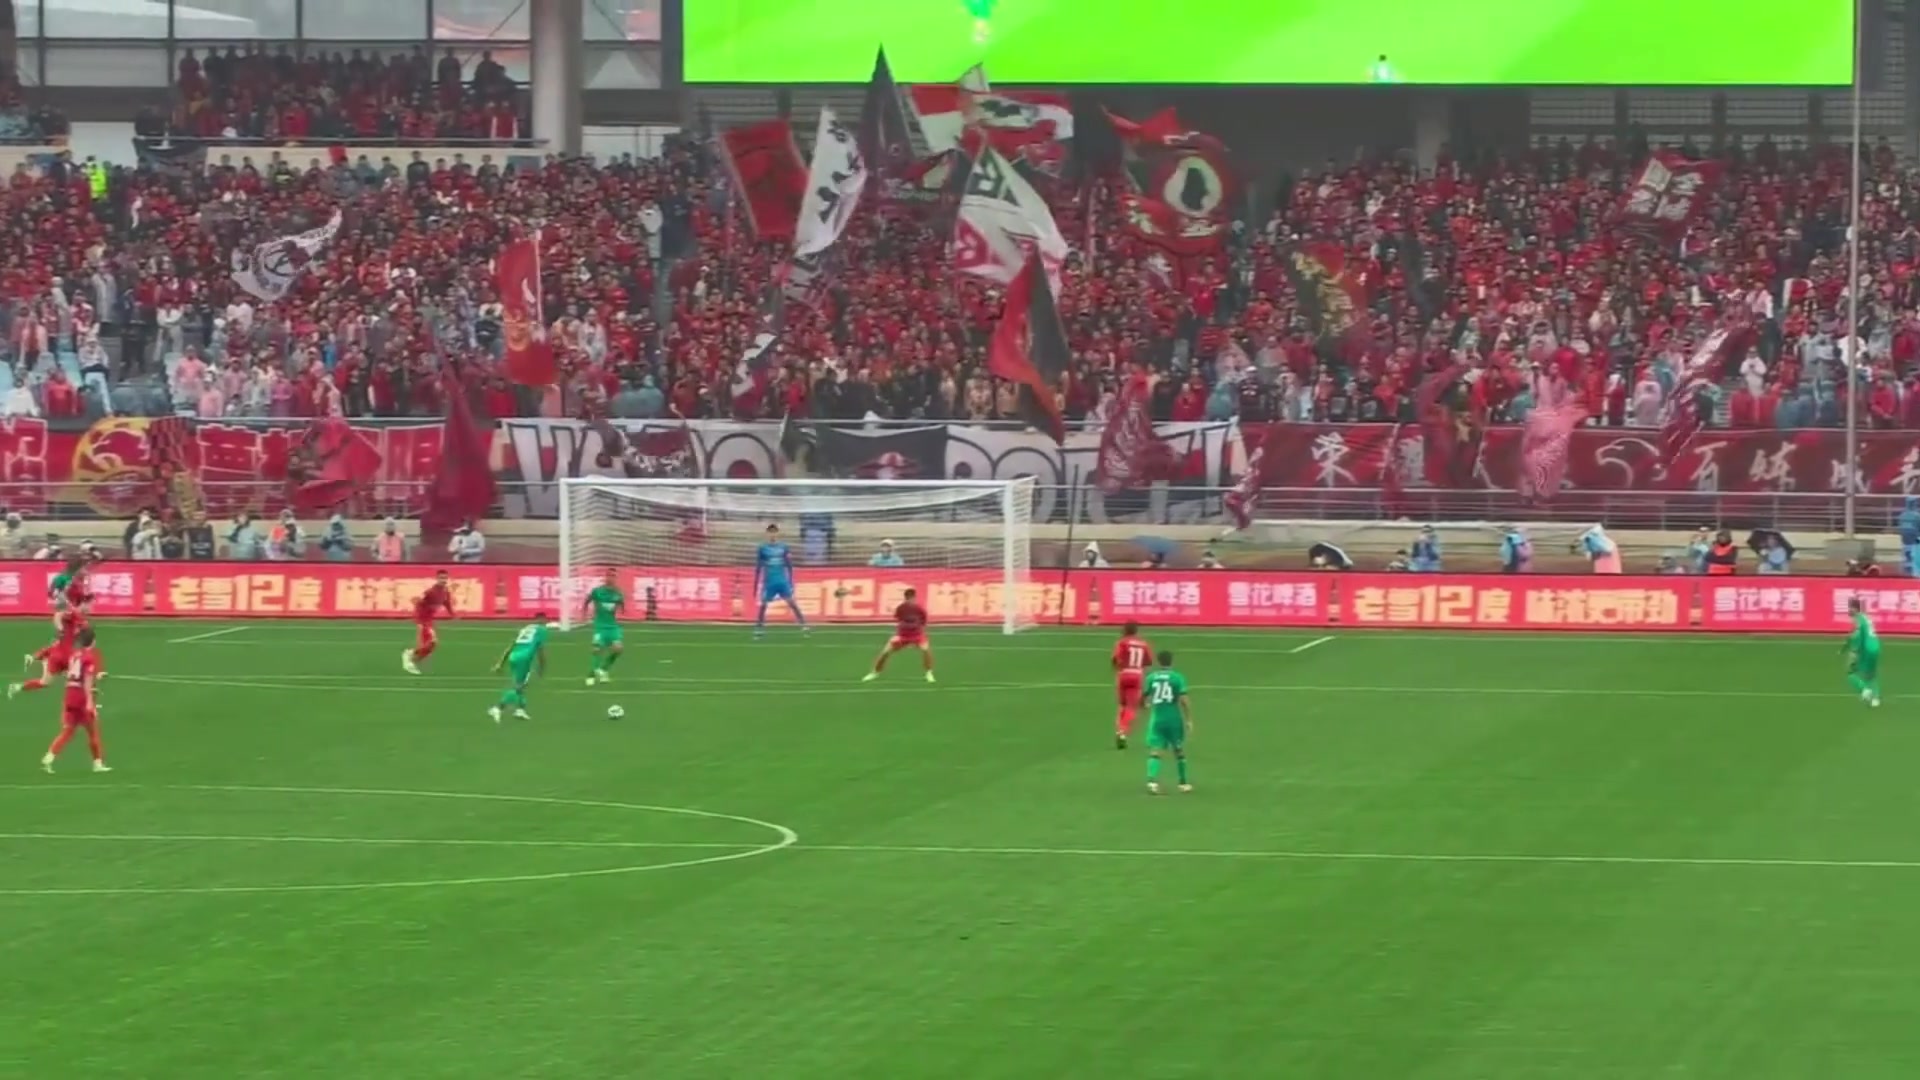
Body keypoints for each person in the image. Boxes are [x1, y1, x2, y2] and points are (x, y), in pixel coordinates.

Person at [40, 626, 107, 773]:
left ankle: (49, 757)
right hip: (80, 697)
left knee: (68, 730)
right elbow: (87, 680)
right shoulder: (89, 657)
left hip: (69, 695)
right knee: (92, 731)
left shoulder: (75, 655)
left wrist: (96, 676)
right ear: (93, 641)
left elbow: (74, 674)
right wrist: (89, 701)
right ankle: (97, 764)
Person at [1142, 650, 1192, 795]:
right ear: (1171, 661)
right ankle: (1183, 783)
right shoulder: (1177, 678)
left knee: (1155, 750)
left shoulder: (1151, 677)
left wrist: (1145, 705)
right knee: (1178, 750)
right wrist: (1189, 719)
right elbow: (1184, 700)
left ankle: (1152, 782)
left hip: (1157, 718)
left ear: (1158, 662)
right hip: (1173, 718)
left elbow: (1143, 697)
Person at [14, 601, 87, 695]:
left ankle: (17, 686)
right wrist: (60, 628)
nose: (91, 608)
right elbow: (58, 615)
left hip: (60, 655)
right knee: (81, 677)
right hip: (66, 657)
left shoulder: (78, 620)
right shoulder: (73, 613)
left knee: (45, 682)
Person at [488, 614, 550, 723]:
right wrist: (542, 667)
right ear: (542, 620)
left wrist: (500, 664)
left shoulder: (525, 630)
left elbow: (510, 647)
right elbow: (541, 650)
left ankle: (520, 710)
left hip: (513, 657)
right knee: (519, 686)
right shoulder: (541, 630)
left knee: (519, 683)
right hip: (524, 658)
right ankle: (497, 708)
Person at [863, 587, 932, 683]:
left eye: (912, 598)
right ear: (906, 598)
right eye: (909, 598)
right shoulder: (901, 608)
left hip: (917, 635)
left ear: (914, 598)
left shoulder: (919, 608)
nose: (911, 600)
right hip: (902, 636)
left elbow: (924, 620)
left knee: (926, 650)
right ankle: (875, 673)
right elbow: (898, 617)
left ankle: (928, 673)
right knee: (885, 652)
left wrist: (917, 629)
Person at [752, 523, 808, 637]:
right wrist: (756, 584)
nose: (772, 534)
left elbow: (789, 565)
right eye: (770, 532)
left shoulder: (783, 547)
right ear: (767, 534)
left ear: (777, 533)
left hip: (782, 581)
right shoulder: (763, 548)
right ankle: (759, 628)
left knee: (792, 603)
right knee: (763, 605)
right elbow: (758, 567)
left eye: (774, 532)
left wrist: (791, 581)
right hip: (769, 582)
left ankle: (803, 625)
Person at [402, 569, 454, 675]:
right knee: (432, 642)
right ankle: (409, 655)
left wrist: (452, 614)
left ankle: (411, 660)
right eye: (441, 578)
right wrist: (418, 617)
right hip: (423, 620)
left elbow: (447, 603)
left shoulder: (445, 592)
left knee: (431, 645)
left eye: (445, 578)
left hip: (429, 620)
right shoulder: (430, 592)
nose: (443, 580)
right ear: (437, 579)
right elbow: (419, 602)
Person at [1110, 620, 1152, 749]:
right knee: (1131, 707)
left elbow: (1115, 659)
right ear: (1136, 631)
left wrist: (1117, 668)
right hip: (1136, 675)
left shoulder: (1122, 642)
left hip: (1123, 674)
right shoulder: (1143, 644)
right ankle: (1122, 732)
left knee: (1122, 705)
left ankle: (1119, 730)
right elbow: (1148, 661)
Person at [583, 569, 626, 685]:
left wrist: (621, 612)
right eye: (609, 576)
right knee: (597, 649)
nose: (611, 578)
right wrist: (584, 613)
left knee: (618, 649)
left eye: (613, 576)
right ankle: (591, 674)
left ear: (615, 578)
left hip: (612, 626)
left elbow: (622, 604)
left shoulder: (618, 593)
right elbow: (587, 601)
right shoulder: (597, 591)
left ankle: (603, 669)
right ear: (605, 577)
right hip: (600, 626)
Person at [1843, 596, 1883, 707]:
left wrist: (1854, 652)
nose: (1848, 610)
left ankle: (1866, 691)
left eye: (1850, 607)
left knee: (1851, 671)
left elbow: (1857, 636)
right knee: (1870, 674)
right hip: (1875, 646)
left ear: (1855, 609)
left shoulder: (1858, 620)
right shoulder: (1865, 617)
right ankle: (1874, 698)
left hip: (1867, 648)